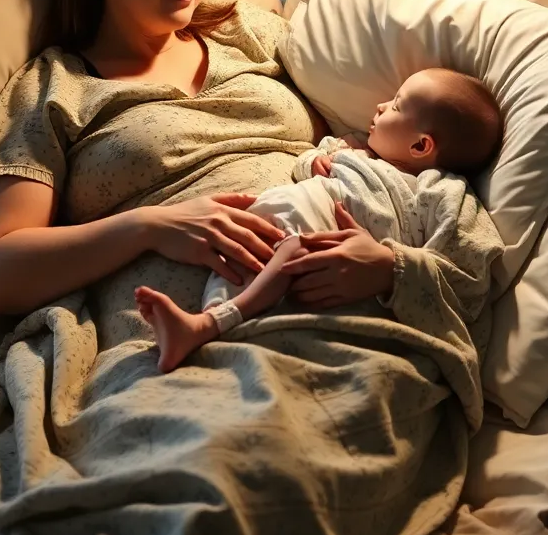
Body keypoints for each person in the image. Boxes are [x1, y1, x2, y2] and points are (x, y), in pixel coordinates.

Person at [0, 0, 399, 326]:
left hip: (341, 299)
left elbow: (377, 139)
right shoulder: (55, 89)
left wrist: (390, 264)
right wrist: (150, 227)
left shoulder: (250, 33)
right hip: (179, 334)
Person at [136, 68, 503, 371]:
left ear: (421, 146)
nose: (379, 106)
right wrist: (314, 162)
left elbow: (467, 265)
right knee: (243, 266)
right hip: (267, 229)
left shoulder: (441, 190)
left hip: (317, 242)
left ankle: (208, 325)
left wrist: (395, 264)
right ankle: (208, 321)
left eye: (395, 105)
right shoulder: (350, 150)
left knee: (288, 254)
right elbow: (306, 165)